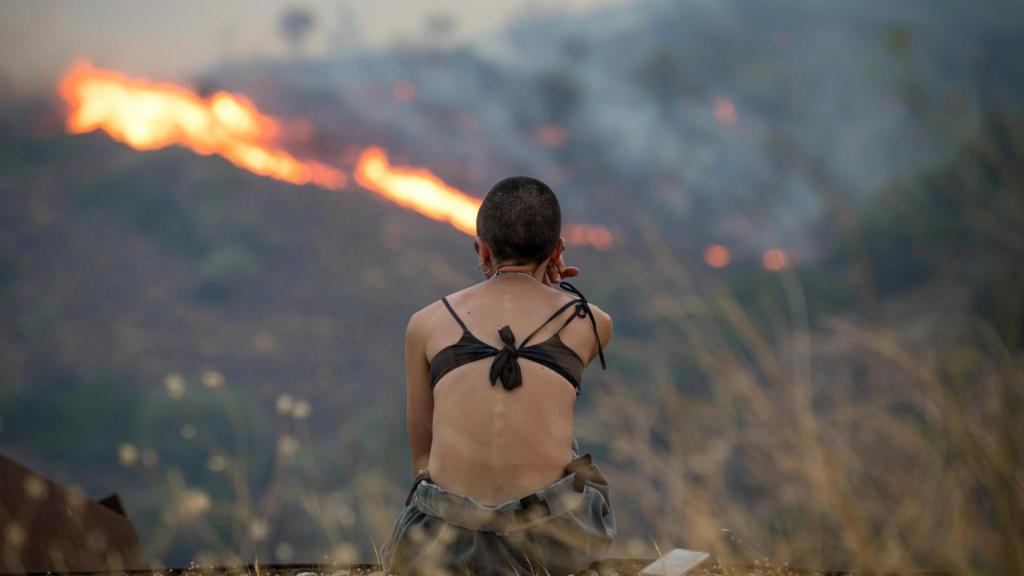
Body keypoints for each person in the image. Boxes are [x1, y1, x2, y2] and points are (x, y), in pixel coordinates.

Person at [380, 177, 616, 575]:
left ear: (482, 248)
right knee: (569, 451)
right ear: (558, 251)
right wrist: (547, 285)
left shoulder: (426, 324)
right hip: (547, 546)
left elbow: (422, 461)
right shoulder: (591, 323)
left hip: (445, 550)